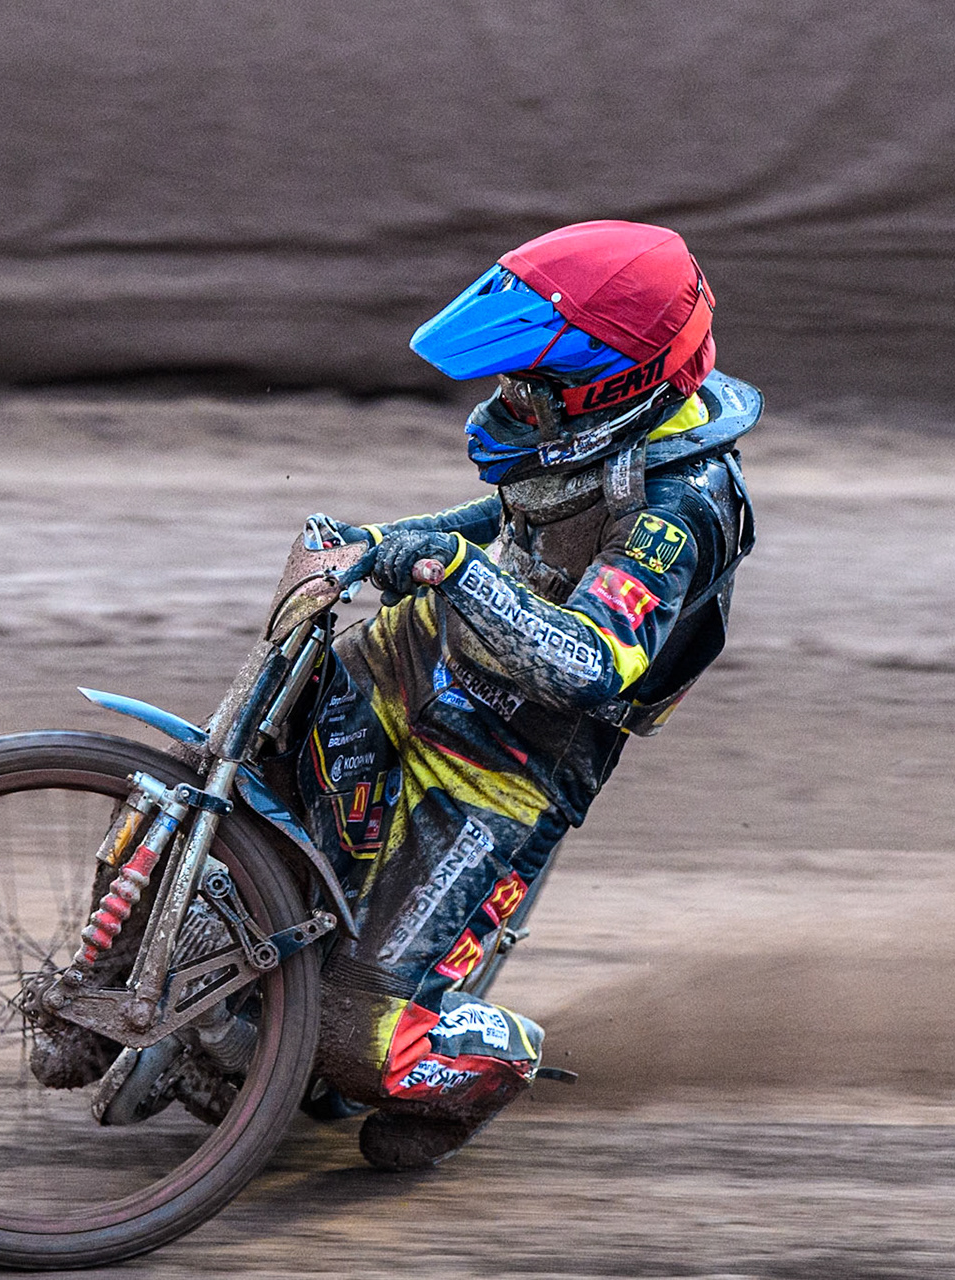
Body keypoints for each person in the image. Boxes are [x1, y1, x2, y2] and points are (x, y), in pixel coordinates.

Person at [300, 220, 760, 1171]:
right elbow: (506, 517)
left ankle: (489, 1060)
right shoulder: (590, 433)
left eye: (531, 388)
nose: (511, 401)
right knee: (255, 769)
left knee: (352, 1036)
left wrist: (452, 567)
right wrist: (380, 542)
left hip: (509, 762)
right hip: (414, 658)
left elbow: (595, 661)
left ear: (611, 384)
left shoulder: (683, 506)